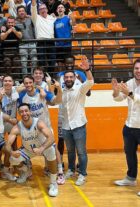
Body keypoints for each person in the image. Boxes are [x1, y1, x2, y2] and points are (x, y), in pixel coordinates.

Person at [6, 103, 59, 197]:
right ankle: (26, 171)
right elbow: (8, 144)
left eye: (26, 111)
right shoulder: (17, 127)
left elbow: (51, 138)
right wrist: (12, 152)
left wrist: (42, 148)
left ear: (30, 112)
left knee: (51, 151)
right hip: (28, 150)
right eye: (21, 112)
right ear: (19, 113)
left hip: (42, 147)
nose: (24, 113)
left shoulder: (38, 123)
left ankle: (53, 183)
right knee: (13, 160)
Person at [61, 56, 94, 186]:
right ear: (64, 79)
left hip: (79, 125)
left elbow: (90, 82)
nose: (69, 79)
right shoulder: (61, 91)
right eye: (66, 77)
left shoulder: (80, 88)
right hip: (66, 126)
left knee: (81, 152)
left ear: (74, 78)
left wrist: (87, 70)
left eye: (71, 77)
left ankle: (82, 174)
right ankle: (70, 170)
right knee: (69, 151)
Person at [113, 59, 140, 196]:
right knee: (130, 154)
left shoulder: (130, 88)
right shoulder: (129, 83)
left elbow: (137, 99)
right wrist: (115, 92)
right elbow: (119, 99)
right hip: (129, 126)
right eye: (136, 68)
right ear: (133, 69)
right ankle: (130, 178)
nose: (138, 71)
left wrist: (129, 93)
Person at [31, 0, 56, 72]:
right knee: (41, 62)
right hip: (40, 42)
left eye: (44, 8)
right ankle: (44, 77)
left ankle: (50, 77)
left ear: (47, 10)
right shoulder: (36, 17)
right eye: (41, 9)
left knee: (52, 61)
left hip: (51, 42)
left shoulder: (52, 18)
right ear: (38, 11)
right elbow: (33, 7)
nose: (43, 10)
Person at [16, 5, 37, 75]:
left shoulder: (30, 19)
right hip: (22, 45)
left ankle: (32, 78)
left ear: (25, 12)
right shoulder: (15, 22)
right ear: (17, 13)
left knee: (34, 61)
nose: (21, 12)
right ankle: (25, 79)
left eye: (23, 11)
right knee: (23, 62)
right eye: (19, 11)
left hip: (32, 43)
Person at [54, 3, 75, 70]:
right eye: (58, 7)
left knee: (67, 62)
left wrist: (71, 15)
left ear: (64, 9)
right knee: (59, 63)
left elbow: (74, 23)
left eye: (62, 7)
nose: (60, 8)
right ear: (57, 10)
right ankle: (61, 76)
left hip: (67, 45)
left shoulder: (67, 18)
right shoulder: (54, 21)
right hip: (58, 45)